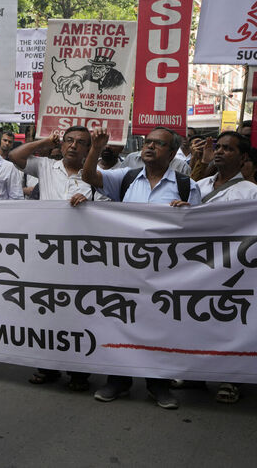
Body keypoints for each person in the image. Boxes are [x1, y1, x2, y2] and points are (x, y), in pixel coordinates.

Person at [81, 126, 200, 410]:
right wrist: (96, 148)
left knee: (158, 328)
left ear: (172, 153)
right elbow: (89, 177)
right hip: (126, 269)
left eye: (158, 144)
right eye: (147, 142)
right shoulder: (127, 178)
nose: (150, 147)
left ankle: (157, 384)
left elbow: (199, 234)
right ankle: (118, 381)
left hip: (165, 274)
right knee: (121, 323)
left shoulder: (186, 186)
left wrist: (187, 213)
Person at [8, 126, 102, 391]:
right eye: (68, 141)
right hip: (47, 255)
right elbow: (15, 156)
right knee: (47, 312)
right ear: (61, 145)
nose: (73, 146)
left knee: (79, 315)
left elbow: (107, 208)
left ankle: (79, 371)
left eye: (81, 143)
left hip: (81, 257)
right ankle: (47, 366)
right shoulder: (46, 167)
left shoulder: (93, 176)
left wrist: (89, 201)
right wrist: (44, 141)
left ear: (88, 149)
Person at [197, 132, 257, 204]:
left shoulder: (252, 193)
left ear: (243, 157)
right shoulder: (199, 185)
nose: (219, 152)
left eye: (227, 149)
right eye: (217, 147)